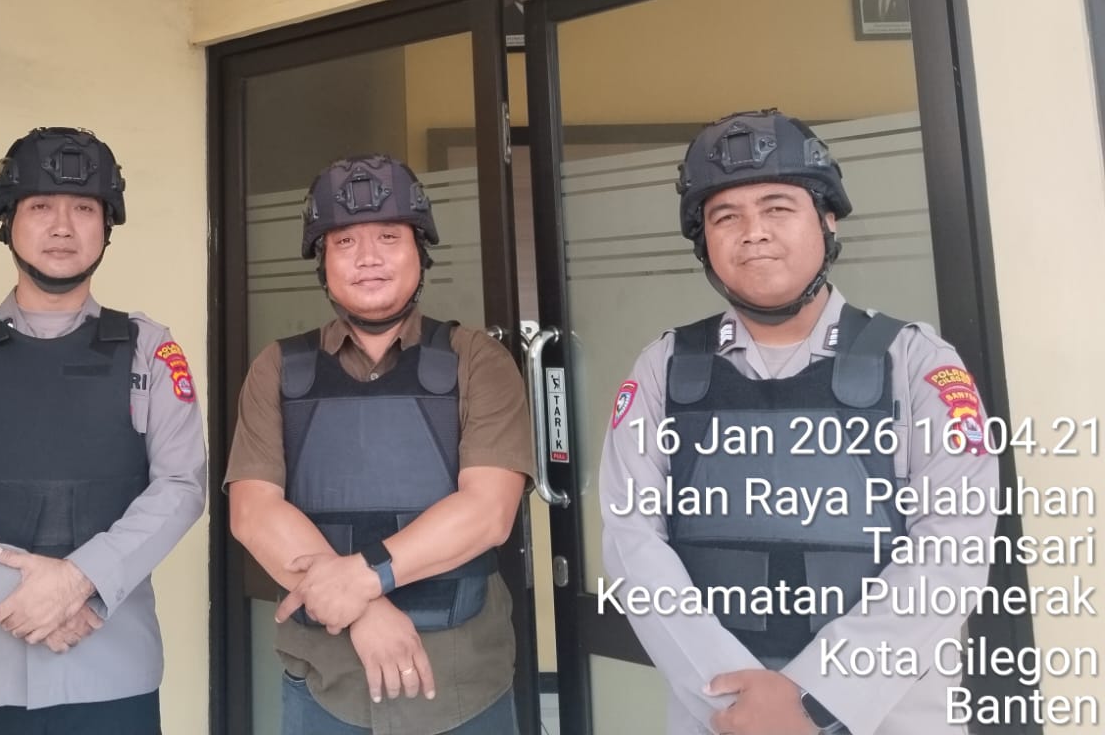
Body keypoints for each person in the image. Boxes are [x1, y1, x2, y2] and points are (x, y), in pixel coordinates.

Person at [599, 110, 997, 735]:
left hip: (886, 713)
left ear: (827, 219)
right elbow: (632, 541)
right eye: (725, 217)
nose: (753, 233)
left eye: (778, 208)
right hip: (720, 715)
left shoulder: (917, 362)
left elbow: (953, 545)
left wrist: (813, 698)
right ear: (704, 243)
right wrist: (737, 699)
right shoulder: (664, 368)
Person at [0, 126, 207, 735]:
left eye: (83, 209)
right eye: (40, 207)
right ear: (8, 220)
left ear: (107, 226)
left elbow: (181, 486)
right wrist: (23, 597)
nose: (62, 227)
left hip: (111, 668)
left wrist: (79, 582)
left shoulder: (150, 351)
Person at [226, 154, 533, 735]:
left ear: (420, 251)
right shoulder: (280, 368)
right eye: (344, 241)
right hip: (324, 683)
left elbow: (488, 512)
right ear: (323, 262)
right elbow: (253, 512)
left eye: (389, 237)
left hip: (460, 683)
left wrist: (364, 580)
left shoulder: (477, 361)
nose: (367, 257)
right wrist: (367, 609)